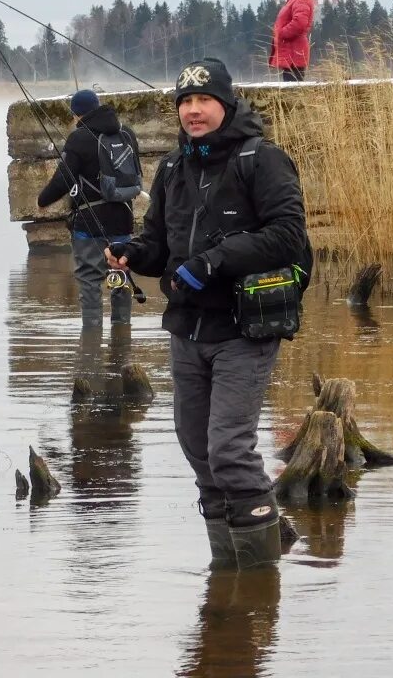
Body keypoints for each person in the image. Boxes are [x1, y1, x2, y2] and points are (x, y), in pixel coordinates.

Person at [105, 58, 307, 569]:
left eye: (204, 101)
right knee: (198, 450)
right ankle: (229, 575)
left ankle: (260, 583)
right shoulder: (173, 167)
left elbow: (289, 236)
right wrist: (133, 252)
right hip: (187, 329)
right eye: (185, 103)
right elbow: (160, 244)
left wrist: (215, 261)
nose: (193, 111)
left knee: (229, 451)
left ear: (226, 103)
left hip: (245, 328)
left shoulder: (263, 160)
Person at [37, 89, 141, 329]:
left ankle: (91, 337)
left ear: (76, 114)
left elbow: (63, 179)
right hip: (123, 216)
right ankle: (121, 330)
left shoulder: (79, 138)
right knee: (120, 273)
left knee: (90, 279)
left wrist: (42, 201)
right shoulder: (127, 133)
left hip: (89, 221)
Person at [269, 0, 317, 82]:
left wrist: (282, 33)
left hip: (294, 54)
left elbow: (300, 23)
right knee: (290, 87)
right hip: (291, 53)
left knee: (292, 91)